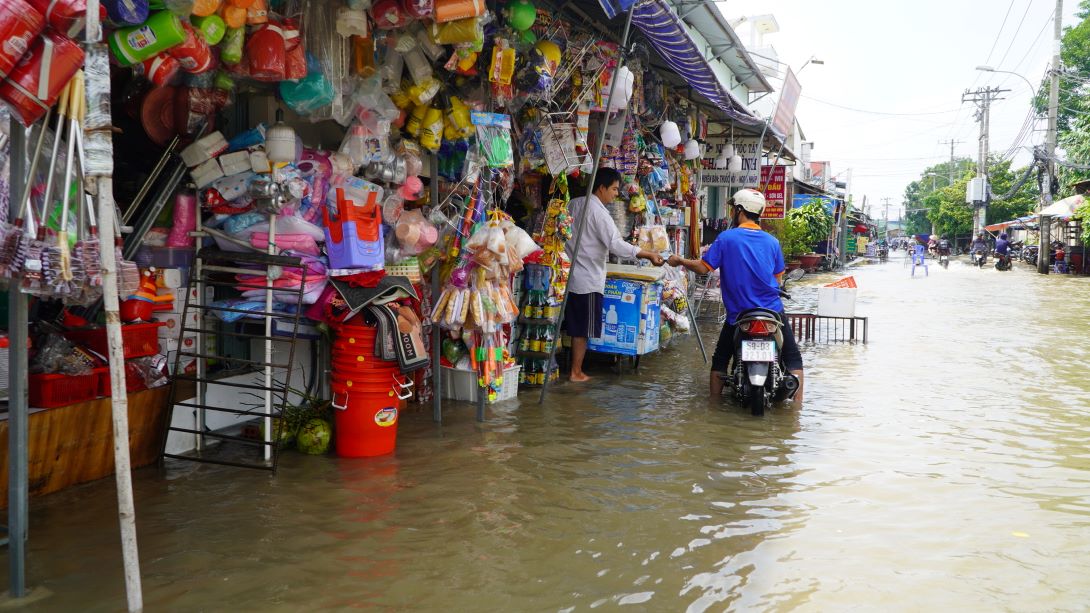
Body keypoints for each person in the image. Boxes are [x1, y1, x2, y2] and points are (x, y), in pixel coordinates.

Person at [668, 188, 804, 406]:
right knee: (793, 358)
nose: (732, 212)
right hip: (771, 310)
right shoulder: (772, 242)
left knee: (721, 360)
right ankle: (797, 411)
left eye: (733, 209)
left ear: (740, 211)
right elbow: (777, 279)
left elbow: (703, 268)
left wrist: (680, 260)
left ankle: (714, 406)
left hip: (739, 314)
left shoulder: (726, 238)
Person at [564, 168, 664, 382]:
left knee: (575, 327)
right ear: (601, 188)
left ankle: (575, 369)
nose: (615, 194)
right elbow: (616, 245)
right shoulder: (598, 212)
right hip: (587, 279)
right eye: (614, 189)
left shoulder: (574, 203)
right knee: (581, 330)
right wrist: (646, 253)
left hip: (571, 275)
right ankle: (576, 372)